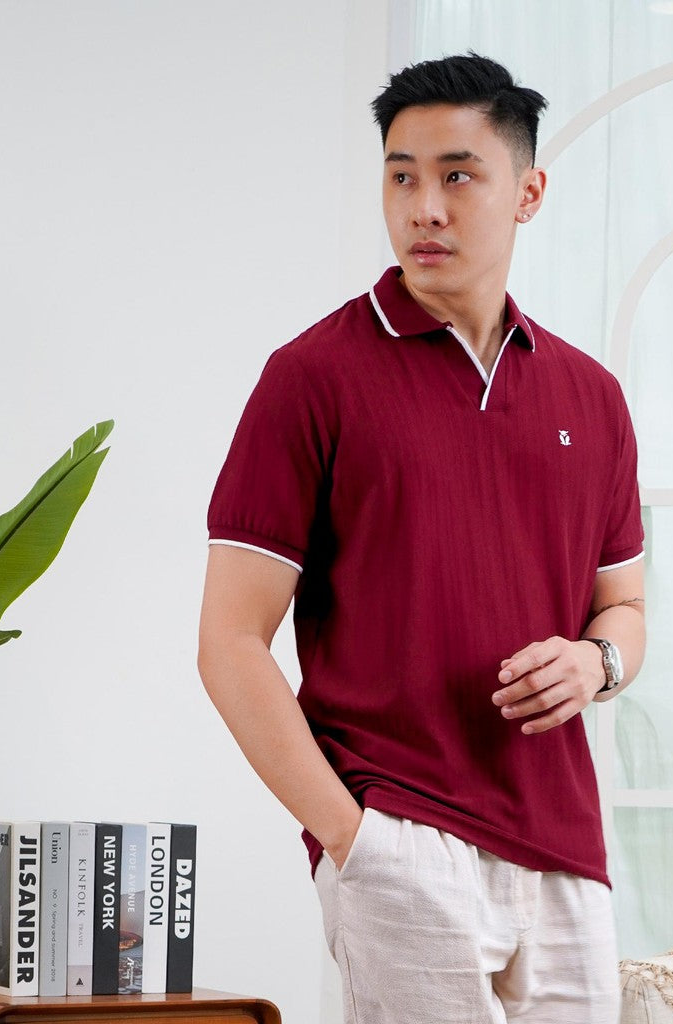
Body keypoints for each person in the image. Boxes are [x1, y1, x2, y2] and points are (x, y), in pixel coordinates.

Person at [199, 53, 646, 1024]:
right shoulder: (312, 379)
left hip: (566, 850)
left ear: (527, 192)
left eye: (457, 175)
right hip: (401, 834)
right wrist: (352, 840)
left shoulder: (593, 398)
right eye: (401, 177)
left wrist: (595, 662)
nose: (424, 208)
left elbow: (625, 605)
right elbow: (230, 641)